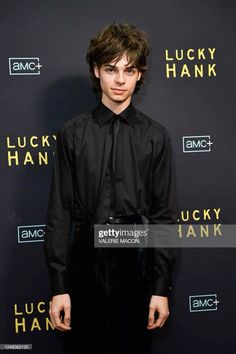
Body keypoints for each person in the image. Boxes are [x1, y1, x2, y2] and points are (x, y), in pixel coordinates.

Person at [43, 22, 178, 354]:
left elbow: (165, 217)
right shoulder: (72, 134)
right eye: (111, 68)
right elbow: (59, 213)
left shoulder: (155, 137)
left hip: (136, 262)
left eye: (129, 70)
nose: (120, 79)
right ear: (96, 70)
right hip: (84, 262)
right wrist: (60, 286)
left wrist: (160, 287)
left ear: (139, 75)